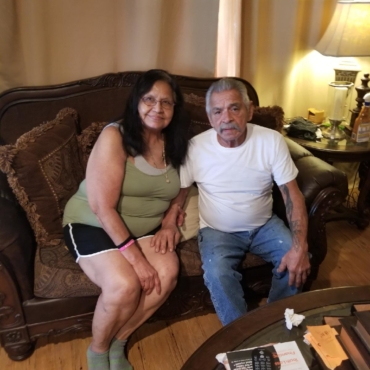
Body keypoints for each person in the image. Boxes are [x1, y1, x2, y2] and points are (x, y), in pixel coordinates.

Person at [155, 77, 311, 326]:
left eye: (234, 108)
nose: (226, 118)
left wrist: (300, 246)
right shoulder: (195, 148)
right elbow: (181, 192)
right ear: (210, 117)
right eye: (217, 111)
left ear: (249, 111)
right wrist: (168, 224)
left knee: (295, 256)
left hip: (264, 225)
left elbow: (291, 194)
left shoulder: (271, 141)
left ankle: (276, 323)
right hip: (218, 231)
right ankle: (240, 334)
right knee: (217, 274)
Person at [62, 69, 189, 370]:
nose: (157, 108)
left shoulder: (177, 142)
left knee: (167, 274)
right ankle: (98, 351)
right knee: (124, 286)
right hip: (93, 222)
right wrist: (138, 261)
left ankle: (119, 341)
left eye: (166, 102)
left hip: (145, 228)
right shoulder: (114, 136)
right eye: (149, 99)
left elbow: (184, 186)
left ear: (174, 108)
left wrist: (171, 218)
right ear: (136, 102)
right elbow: (102, 207)